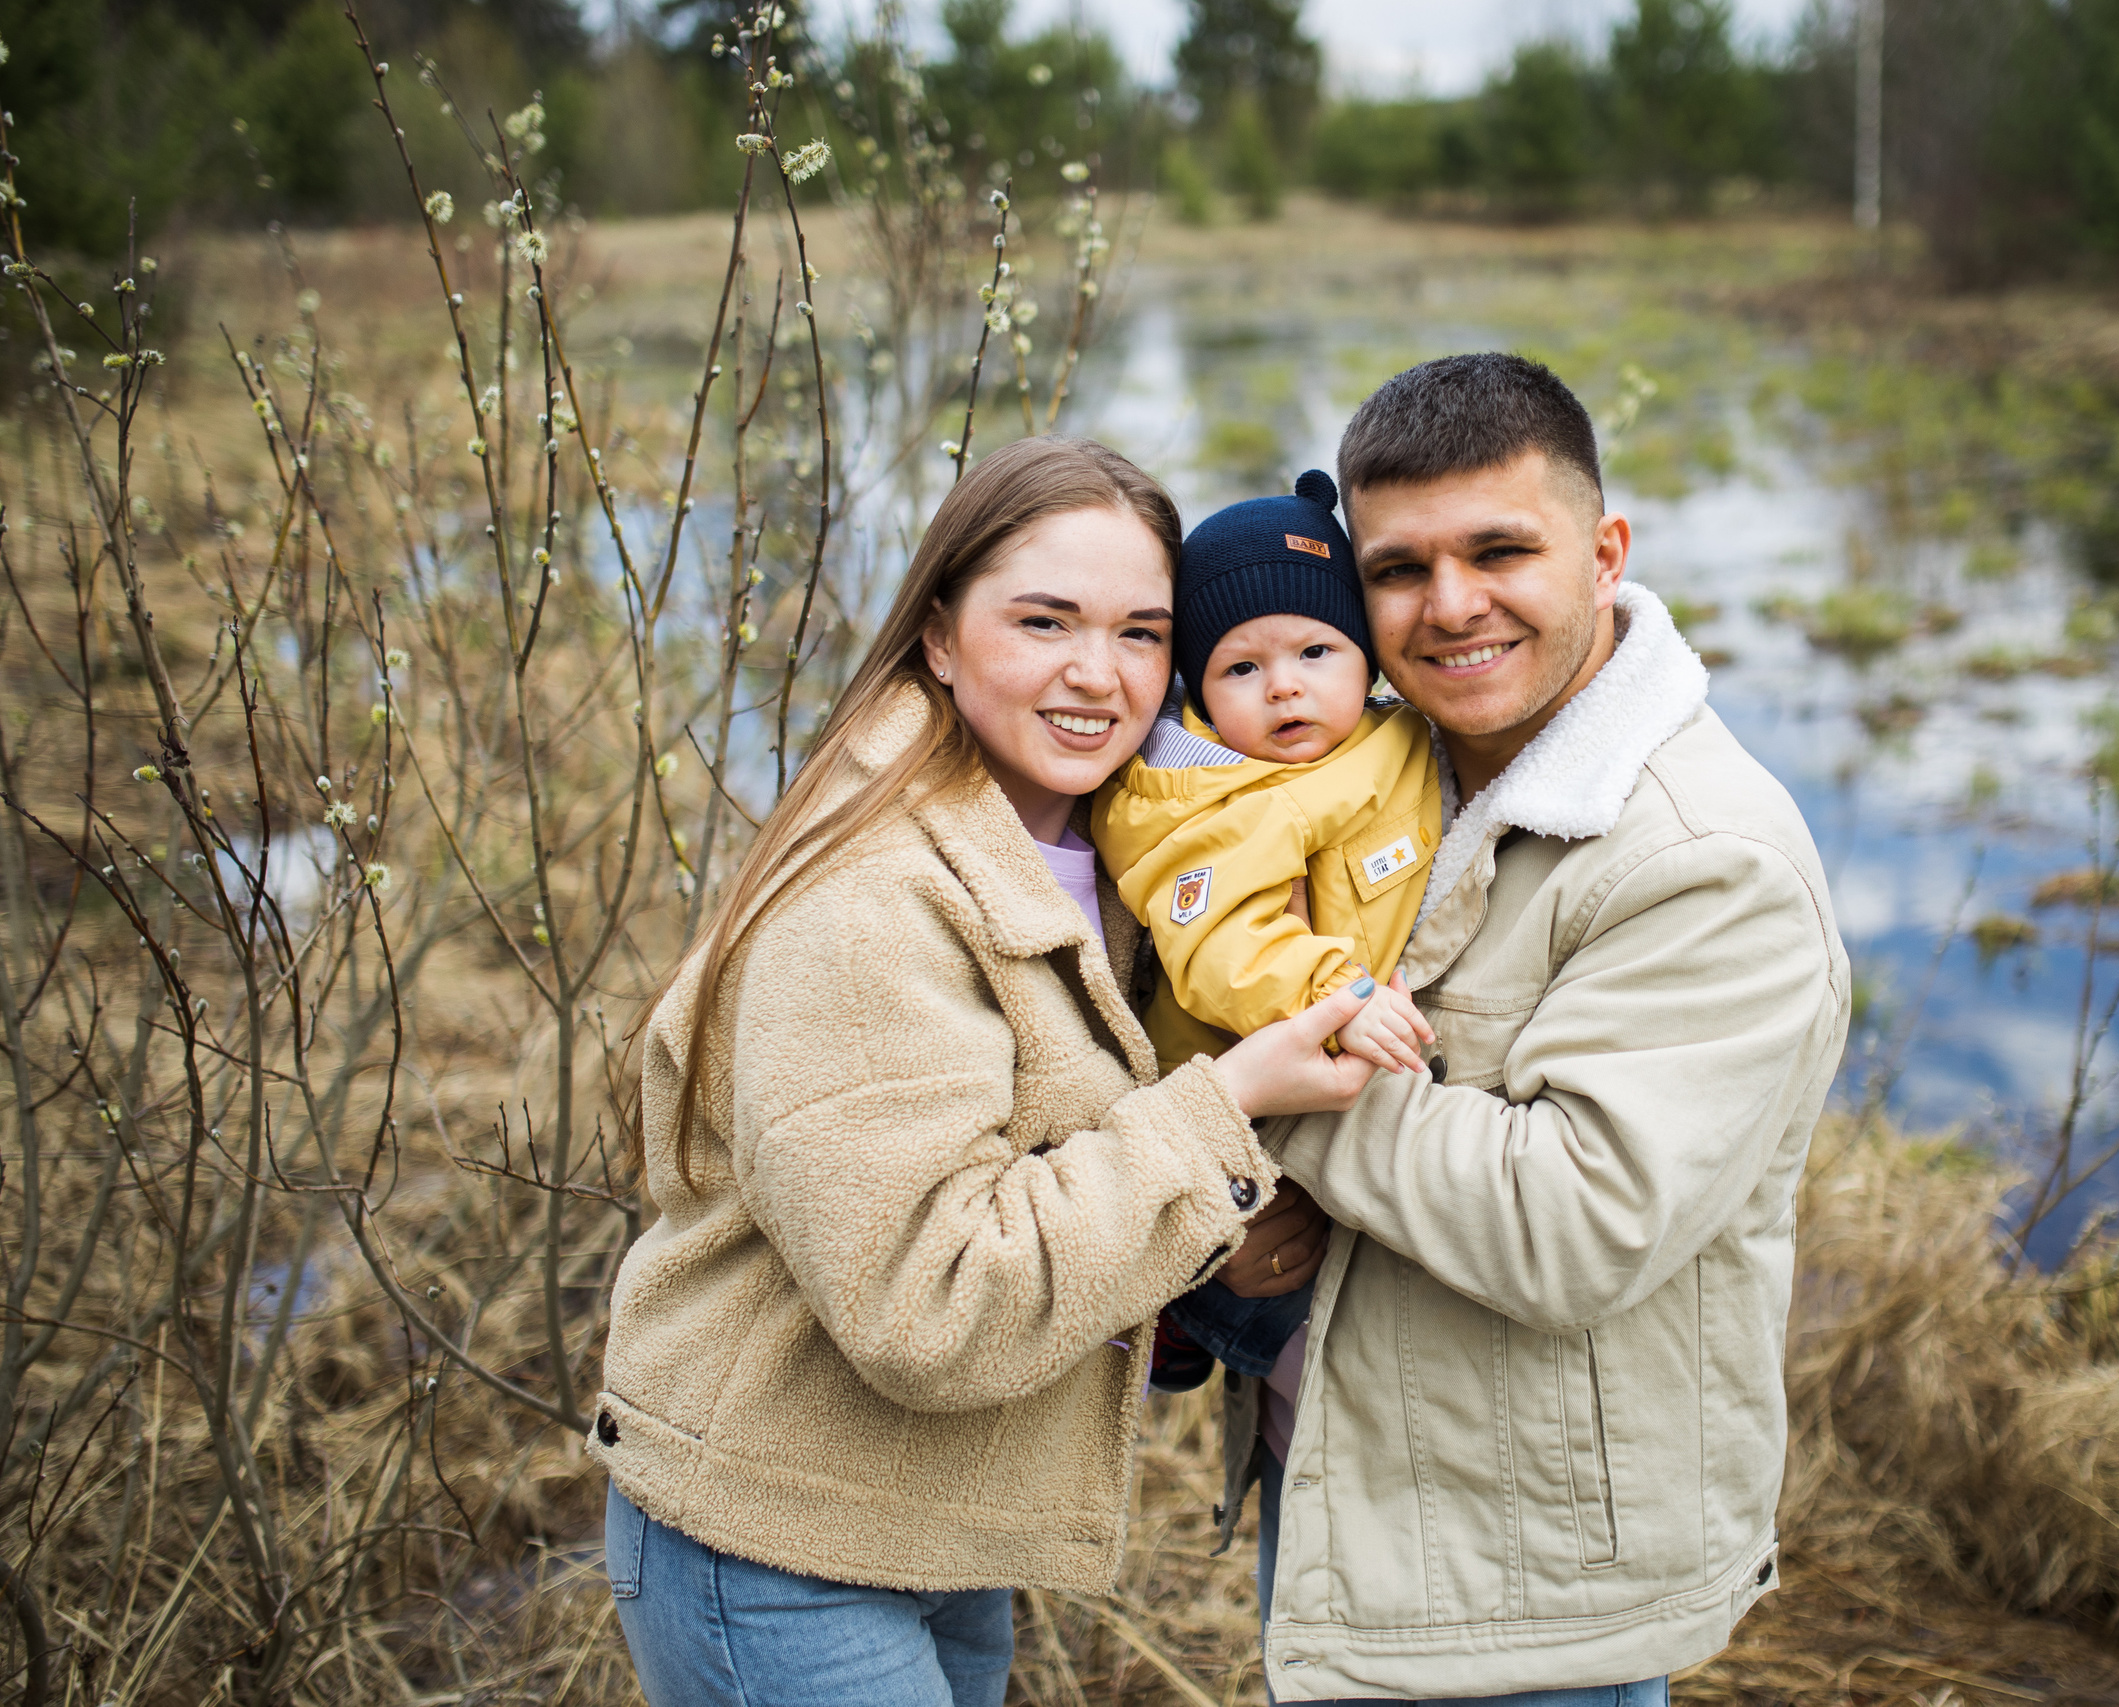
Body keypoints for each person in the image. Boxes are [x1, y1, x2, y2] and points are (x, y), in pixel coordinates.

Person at [588, 437, 1370, 1707]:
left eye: (1138, 633)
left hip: (934, 1520)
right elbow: (926, 1302)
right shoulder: (867, 898)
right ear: (940, 636)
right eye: (1043, 621)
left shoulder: (1104, 847)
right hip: (775, 1541)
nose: (1095, 674)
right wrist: (1227, 1112)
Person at [1240, 355, 1853, 1705]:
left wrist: (1245, 1079)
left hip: (1527, 1580)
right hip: (1358, 1483)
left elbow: (1574, 1221)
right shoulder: (1372, 766)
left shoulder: (1707, 858)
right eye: (1400, 568)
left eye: (1501, 549)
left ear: (1605, 549)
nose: (1452, 605)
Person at [1092, 469, 1442, 1392]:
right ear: (1199, 694)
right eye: (1242, 669)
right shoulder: (1198, 801)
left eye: (1316, 652)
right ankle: (1183, 1312)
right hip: (1244, 1110)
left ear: (1364, 655)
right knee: (1318, 1352)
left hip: (1350, 1101)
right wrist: (1338, 992)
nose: (1284, 688)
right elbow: (1225, 947)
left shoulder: (1397, 738)